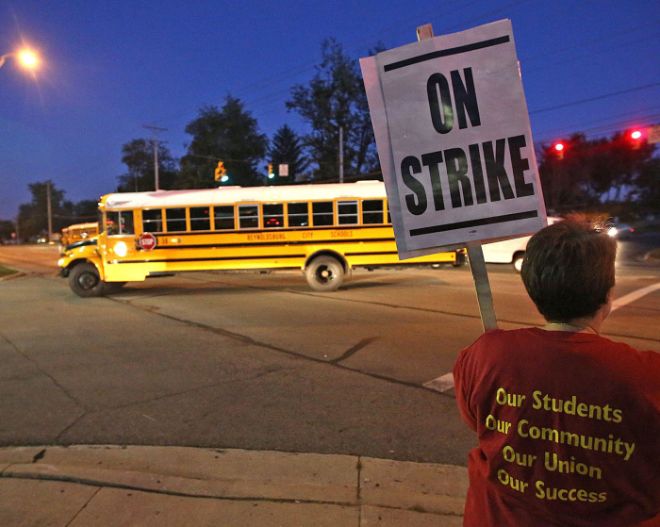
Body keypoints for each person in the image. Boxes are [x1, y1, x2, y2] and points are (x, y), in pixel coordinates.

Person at [453, 217, 659, 527]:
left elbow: (477, 423)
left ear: (533, 289)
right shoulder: (647, 375)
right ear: (608, 294)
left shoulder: (482, 355)